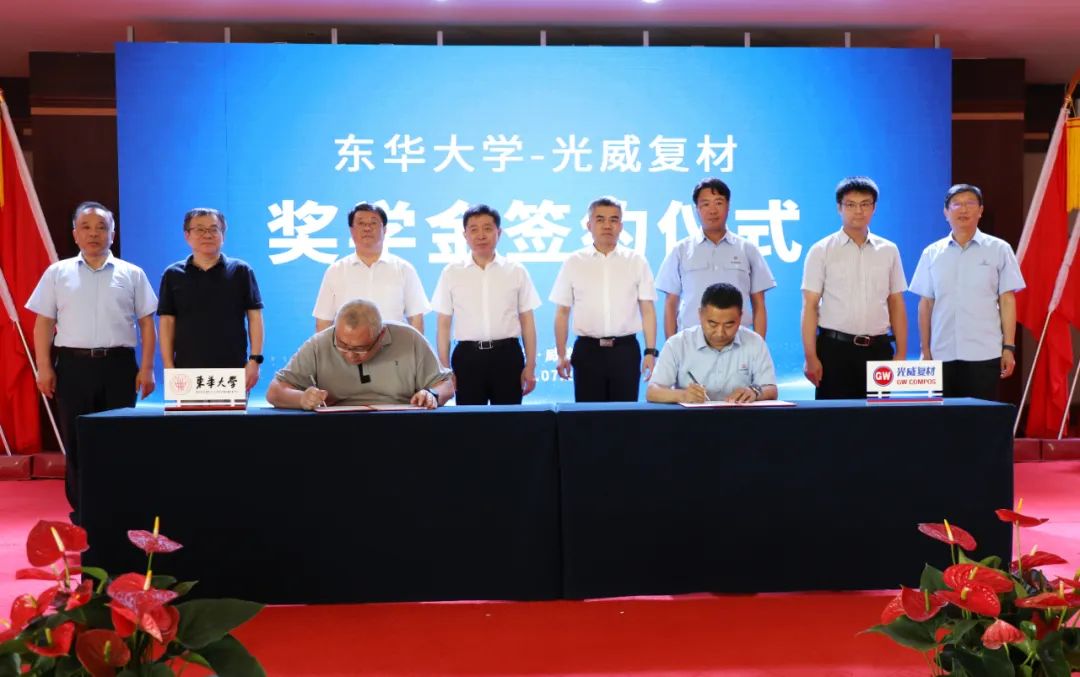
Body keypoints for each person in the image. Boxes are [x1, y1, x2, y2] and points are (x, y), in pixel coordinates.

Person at [26, 201, 157, 519]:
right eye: (86, 227)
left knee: (118, 440)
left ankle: (118, 511)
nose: (94, 233)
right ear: (75, 234)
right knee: (77, 441)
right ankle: (83, 512)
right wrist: (44, 366)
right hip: (73, 367)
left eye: (101, 227)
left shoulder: (132, 273)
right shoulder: (57, 273)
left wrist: (147, 369)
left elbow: (146, 324)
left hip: (118, 366)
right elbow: (43, 323)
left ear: (113, 234)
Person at [908, 184, 1025, 399]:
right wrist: (925, 350)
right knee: (943, 418)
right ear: (946, 212)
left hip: (984, 353)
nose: (963, 209)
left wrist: (1009, 347)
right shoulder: (931, 253)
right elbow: (926, 304)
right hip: (942, 353)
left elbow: (1007, 300)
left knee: (981, 417)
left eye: (970, 203)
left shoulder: (999, 249)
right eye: (956, 204)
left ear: (980, 210)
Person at [801, 176, 908, 399]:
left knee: (878, 418)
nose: (858, 211)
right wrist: (810, 357)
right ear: (839, 208)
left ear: (874, 208)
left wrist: (901, 353)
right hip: (834, 350)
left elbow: (896, 302)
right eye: (850, 204)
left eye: (865, 204)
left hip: (878, 350)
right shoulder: (821, 250)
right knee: (834, 417)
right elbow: (810, 306)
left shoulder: (889, 250)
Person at [550, 197, 658, 401]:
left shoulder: (636, 261)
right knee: (588, 416)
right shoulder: (574, 262)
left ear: (621, 226)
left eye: (613, 220)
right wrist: (561, 354)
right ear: (589, 225)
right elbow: (562, 312)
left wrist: (650, 352)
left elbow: (647, 310)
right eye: (600, 219)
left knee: (624, 415)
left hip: (625, 351)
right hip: (588, 351)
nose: (607, 225)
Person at [432, 204, 540, 404]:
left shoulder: (516, 271)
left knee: (509, 420)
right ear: (465, 235)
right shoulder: (451, 272)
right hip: (468, 358)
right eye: (474, 229)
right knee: (470, 420)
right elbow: (444, 324)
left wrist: (531, 365)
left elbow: (527, 321)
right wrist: (445, 371)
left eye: (487, 228)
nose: (481, 235)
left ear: (499, 232)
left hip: (507, 356)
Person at [268, 298, 452, 410]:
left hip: (400, 424)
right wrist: (302, 398)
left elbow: (446, 385)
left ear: (381, 335)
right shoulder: (320, 343)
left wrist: (432, 394)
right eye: (341, 345)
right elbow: (275, 390)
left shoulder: (409, 339)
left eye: (360, 349)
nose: (350, 355)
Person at [157, 208, 265, 390]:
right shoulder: (173, 274)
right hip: (187, 373)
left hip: (232, 370)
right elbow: (167, 322)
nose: (207, 235)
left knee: (230, 410)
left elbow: (255, 317)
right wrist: (168, 366)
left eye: (214, 229)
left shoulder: (241, 271)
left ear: (223, 235)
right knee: (189, 411)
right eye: (200, 229)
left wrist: (255, 360)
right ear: (187, 235)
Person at [655, 177, 775, 339]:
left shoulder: (747, 249)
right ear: (696, 209)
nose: (712, 210)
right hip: (691, 342)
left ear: (728, 206)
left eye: (718, 203)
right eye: (705, 204)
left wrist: (758, 346)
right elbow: (671, 304)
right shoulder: (680, 250)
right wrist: (672, 347)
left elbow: (759, 304)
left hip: (739, 341)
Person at [647, 283, 777, 403]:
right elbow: (652, 391)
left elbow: (771, 389)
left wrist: (754, 392)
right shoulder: (678, 344)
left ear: (740, 317)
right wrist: (683, 395)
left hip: (741, 418)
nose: (720, 333)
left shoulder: (754, 342)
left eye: (729, 325)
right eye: (713, 324)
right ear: (700, 314)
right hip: (692, 419)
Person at [312, 202, 429, 333]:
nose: (367, 228)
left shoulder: (404, 269)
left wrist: (414, 347)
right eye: (361, 223)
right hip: (348, 345)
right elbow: (323, 321)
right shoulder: (336, 271)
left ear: (384, 230)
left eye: (373, 223)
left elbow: (416, 319)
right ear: (351, 230)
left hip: (394, 344)